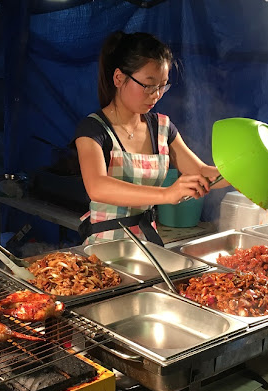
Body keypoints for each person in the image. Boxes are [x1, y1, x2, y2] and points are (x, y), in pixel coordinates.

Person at [74, 31, 226, 245]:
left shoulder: (162, 127)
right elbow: (97, 187)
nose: (156, 94)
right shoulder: (93, 129)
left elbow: (200, 171)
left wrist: (236, 176)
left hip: (146, 244)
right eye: (148, 85)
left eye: (162, 86)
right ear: (119, 78)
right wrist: (166, 194)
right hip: (105, 245)